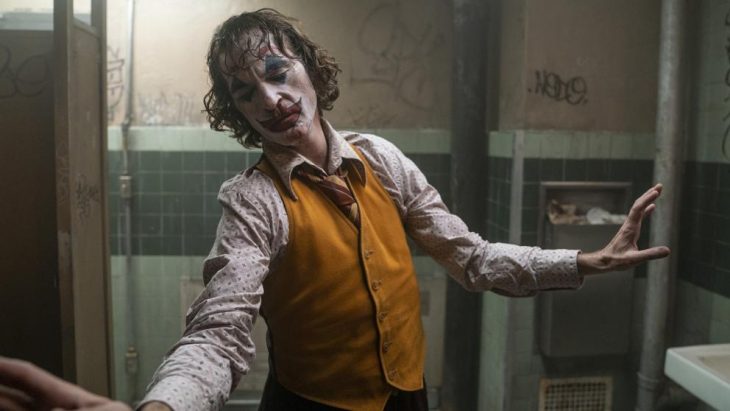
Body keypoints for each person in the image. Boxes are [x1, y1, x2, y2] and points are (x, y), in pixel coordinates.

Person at [0, 8, 669, 411]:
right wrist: (163, 405)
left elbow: (472, 259)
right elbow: (218, 332)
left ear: (310, 70)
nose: (269, 98)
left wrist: (582, 260)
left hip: (408, 397)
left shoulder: (382, 159)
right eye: (245, 92)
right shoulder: (254, 199)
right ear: (237, 113)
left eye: (276, 71)